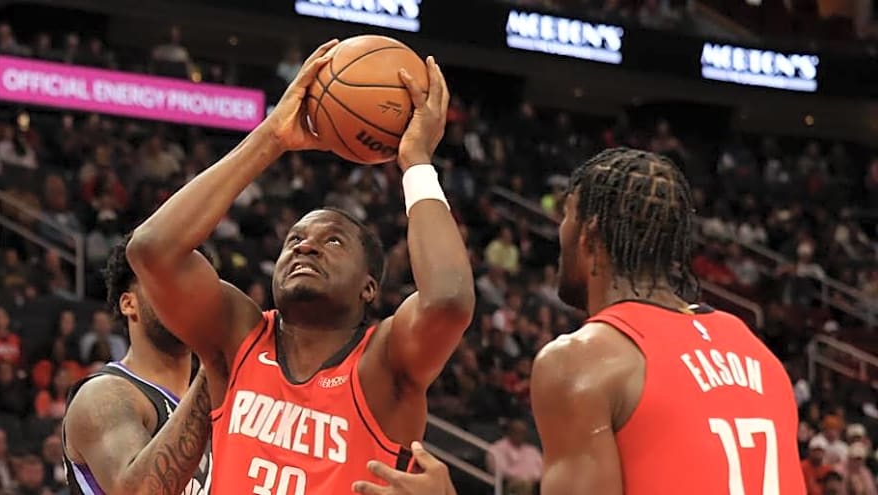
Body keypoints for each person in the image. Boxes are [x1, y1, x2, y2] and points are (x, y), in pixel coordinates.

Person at [126, 39, 474, 493]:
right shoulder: (238, 335)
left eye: (332, 240)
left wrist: (416, 162)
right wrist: (271, 137)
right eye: (294, 239)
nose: (306, 248)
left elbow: (448, 299)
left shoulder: (383, 363)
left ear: (369, 287)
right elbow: (152, 248)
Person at [354, 148, 805, 494]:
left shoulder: (583, 360)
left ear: (588, 233)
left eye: (564, 219)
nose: (559, 234)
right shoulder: (757, 354)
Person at [63, 236, 212, 494]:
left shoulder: (216, 407)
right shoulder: (103, 395)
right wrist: (215, 365)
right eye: (163, 279)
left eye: (192, 282)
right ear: (129, 303)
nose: (183, 291)